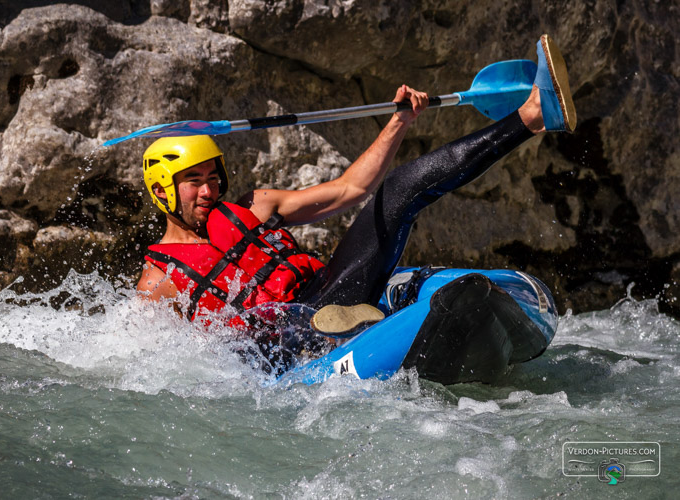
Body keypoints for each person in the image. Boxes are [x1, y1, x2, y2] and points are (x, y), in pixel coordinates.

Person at [137, 34, 576, 336]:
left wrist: (400, 120)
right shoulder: (158, 281)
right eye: (194, 183)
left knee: (399, 188)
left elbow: (353, 189)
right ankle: (351, 325)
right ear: (162, 192)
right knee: (284, 330)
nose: (209, 191)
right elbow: (175, 367)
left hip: (331, 291)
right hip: (283, 343)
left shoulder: (256, 206)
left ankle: (531, 117)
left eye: (213, 178)